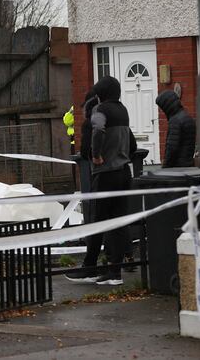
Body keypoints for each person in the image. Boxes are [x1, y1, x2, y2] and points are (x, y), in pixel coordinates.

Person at [67, 77, 136, 286]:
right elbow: (132, 144)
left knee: (98, 221)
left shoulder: (100, 110)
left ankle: (90, 267)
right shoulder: (123, 110)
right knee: (119, 222)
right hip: (125, 172)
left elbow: (97, 130)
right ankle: (115, 272)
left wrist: (96, 155)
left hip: (105, 173)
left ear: (103, 93)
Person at [156, 90, 197, 167]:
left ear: (167, 105)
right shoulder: (187, 117)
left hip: (177, 168)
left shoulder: (175, 121)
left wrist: (165, 166)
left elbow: (172, 148)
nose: (162, 110)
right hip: (189, 165)